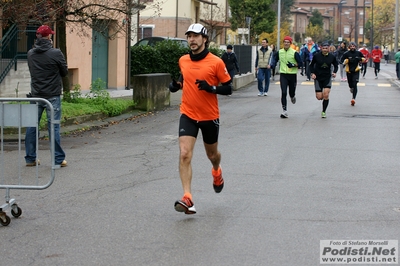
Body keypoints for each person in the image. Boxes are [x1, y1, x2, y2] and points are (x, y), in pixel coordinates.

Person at [168, 23, 233, 215]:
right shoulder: (183, 60)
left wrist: (211, 88)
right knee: (184, 154)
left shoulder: (216, 62)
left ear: (204, 39)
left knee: (212, 155)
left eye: (195, 36)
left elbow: (229, 88)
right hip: (188, 113)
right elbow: (184, 79)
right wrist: (176, 85)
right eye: (189, 36)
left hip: (209, 116)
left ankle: (216, 170)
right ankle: (188, 197)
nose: (191, 40)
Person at [25, 25, 68, 167]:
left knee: (32, 127)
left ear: (37, 36)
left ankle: (30, 158)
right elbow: (64, 72)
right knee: (53, 127)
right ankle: (57, 159)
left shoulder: (30, 53)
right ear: (49, 37)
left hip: (36, 95)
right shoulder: (56, 53)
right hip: (52, 95)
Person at [271, 36, 303, 118]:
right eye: (285, 42)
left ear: (290, 43)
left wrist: (293, 65)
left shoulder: (294, 52)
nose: (286, 43)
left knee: (291, 92)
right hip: (283, 75)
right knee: (284, 92)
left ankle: (292, 96)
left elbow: (301, 63)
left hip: (292, 75)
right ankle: (284, 111)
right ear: (283, 43)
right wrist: (273, 64)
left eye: (288, 42)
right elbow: (275, 59)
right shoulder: (279, 52)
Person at [309, 42, 338, 118]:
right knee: (319, 97)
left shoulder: (332, 57)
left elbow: (336, 65)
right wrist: (312, 73)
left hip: (327, 77)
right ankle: (322, 97)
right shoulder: (316, 56)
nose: (325, 50)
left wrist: (334, 72)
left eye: (326, 48)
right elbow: (311, 65)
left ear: (329, 48)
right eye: (323, 48)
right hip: (318, 77)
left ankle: (324, 111)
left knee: (326, 94)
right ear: (321, 48)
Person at [340, 42, 365, 106]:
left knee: (355, 83)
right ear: (349, 47)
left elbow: (364, 59)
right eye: (351, 46)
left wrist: (360, 59)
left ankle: (353, 99)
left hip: (356, 71)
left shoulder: (358, 53)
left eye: (353, 46)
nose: (352, 47)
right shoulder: (346, 53)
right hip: (349, 71)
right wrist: (345, 61)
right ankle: (351, 88)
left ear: (355, 47)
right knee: (350, 84)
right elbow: (341, 60)